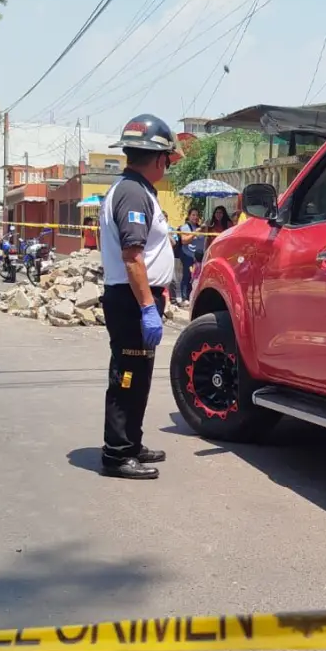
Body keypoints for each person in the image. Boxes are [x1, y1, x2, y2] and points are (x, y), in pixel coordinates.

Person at [98, 113, 181, 480]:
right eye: (169, 159)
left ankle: (131, 442)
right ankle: (116, 453)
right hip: (132, 301)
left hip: (139, 299)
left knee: (140, 374)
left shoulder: (138, 189)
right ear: (160, 158)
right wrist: (148, 306)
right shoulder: (132, 192)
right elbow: (132, 256)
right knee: (128, 375)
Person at [175, 207, 203, 307]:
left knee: (196, 277)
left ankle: (192, 296)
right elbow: (184, 240)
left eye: (196, 215)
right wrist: (195, 233)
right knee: (187, 276)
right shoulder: (185, 227)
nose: (195, 217)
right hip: (188, 255)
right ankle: (184, 297)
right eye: (193, 215)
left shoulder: (200, 227)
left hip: (198, 257)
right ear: (189, 216)